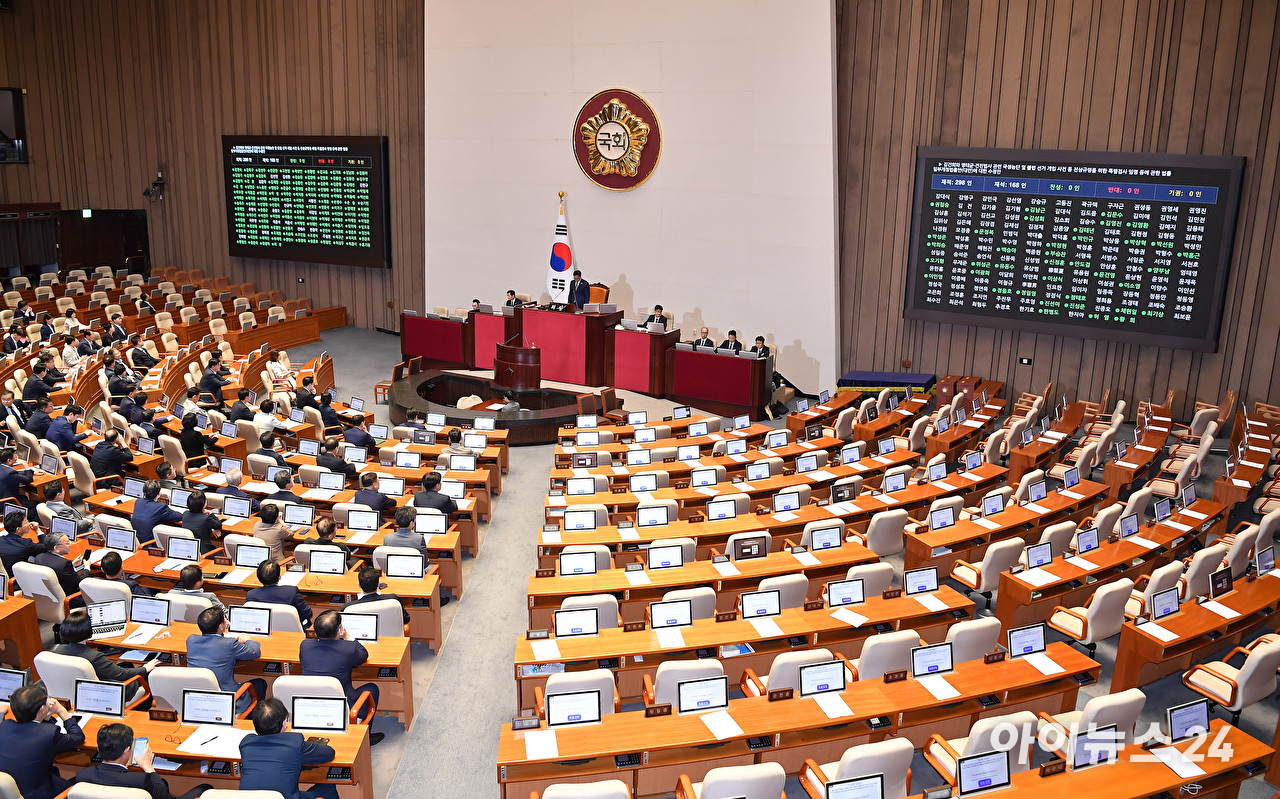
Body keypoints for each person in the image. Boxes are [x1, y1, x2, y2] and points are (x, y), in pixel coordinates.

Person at [299, 611, 383, 740]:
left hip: (312, 706)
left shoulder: (305, 645)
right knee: (372, 689)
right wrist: (348, 636)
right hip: (341, 706)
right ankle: (365, 739)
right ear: (339, 631)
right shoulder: (348, 649)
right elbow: (363, 654)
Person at [75, 722, 210, 799]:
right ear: (127, 750)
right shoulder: (141, 780)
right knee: (205, 788)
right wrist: (149, 768)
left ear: (98, 749)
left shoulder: (83, 775)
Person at [238, 698, 339, 799]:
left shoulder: (246, 744)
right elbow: (329, 754)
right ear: (284, 723)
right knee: (327, 787)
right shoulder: (294, 743)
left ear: (255, 726)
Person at [0, 684, 85, 799]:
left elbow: (35, 729)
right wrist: (61, 711)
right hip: (35, 793)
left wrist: (44, 717)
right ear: (41, 709)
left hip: (9, 789)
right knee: (82, 780)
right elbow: (78, 737)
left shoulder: (4, 726)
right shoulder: (48, 734)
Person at [53, 610, 158, 699]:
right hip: (107, 693)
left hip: (78, 690)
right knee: (148, 675)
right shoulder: (95, 657)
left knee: (127, 664)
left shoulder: (58, 650)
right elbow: (121, 674)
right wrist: (145, 668)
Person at [185, 607, 266, 713]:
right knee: (260, 684)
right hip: (225, 699)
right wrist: (247, 639)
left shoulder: (191, 640)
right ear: (220, 626)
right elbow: (255, 652)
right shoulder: (229, 644)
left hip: (198, 699)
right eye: (225, 619)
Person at [247, 560, 313, 628]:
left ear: (258, 578)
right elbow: (307, 613)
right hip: (293, 632)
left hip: (264, 629)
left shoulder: (250, 595)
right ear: (279, 577)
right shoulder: (291, 592)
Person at [345, 565, 409, 624]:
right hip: (390, 636)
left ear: (359, 585)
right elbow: (406, 619)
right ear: (378, 584)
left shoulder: (348, 607)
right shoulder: (394, 600)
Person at [34, 531, 85, 606]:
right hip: (69, 600)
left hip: (48, 598)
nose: (70, 545)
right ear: (56, 548)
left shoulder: (39, 558)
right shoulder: (63, 564)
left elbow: (57, 570)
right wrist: (87, 567)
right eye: (67, 543)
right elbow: (79, 583)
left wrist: (72, 565)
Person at [0, 509, 52, 575]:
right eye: (25, 522)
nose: (28, 524)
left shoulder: (1, 539)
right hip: (15, 579)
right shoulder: (26, 544)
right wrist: (38, 531)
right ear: (18, 529)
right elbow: (46, 546)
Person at [133, 480, 182, 545]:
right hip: (149, 544)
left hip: (136, 541)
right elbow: (178, 517)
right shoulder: (161, 507)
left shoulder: (138, 502)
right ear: (159, 494)